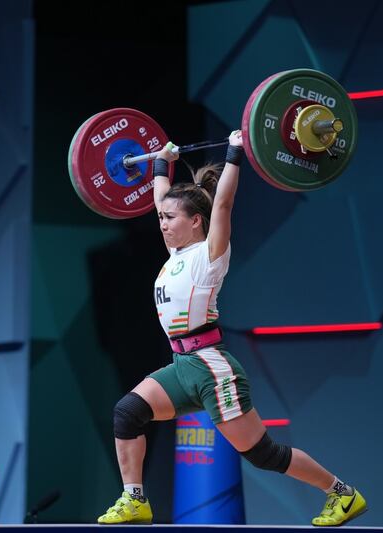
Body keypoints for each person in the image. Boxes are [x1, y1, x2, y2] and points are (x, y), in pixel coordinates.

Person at [96, 132, 367, 526]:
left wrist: (235, 152)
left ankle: (341, 493)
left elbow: (222, 202)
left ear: (196, 221)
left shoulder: (210, 256)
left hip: (210, 369)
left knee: (263, 454)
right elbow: (160, 198)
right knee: (127, 413)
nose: (163, 224)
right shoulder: (176, 254)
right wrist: (160, 161)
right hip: (181, 365)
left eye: (171, 219)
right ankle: (135, 499)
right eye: (162, 219)